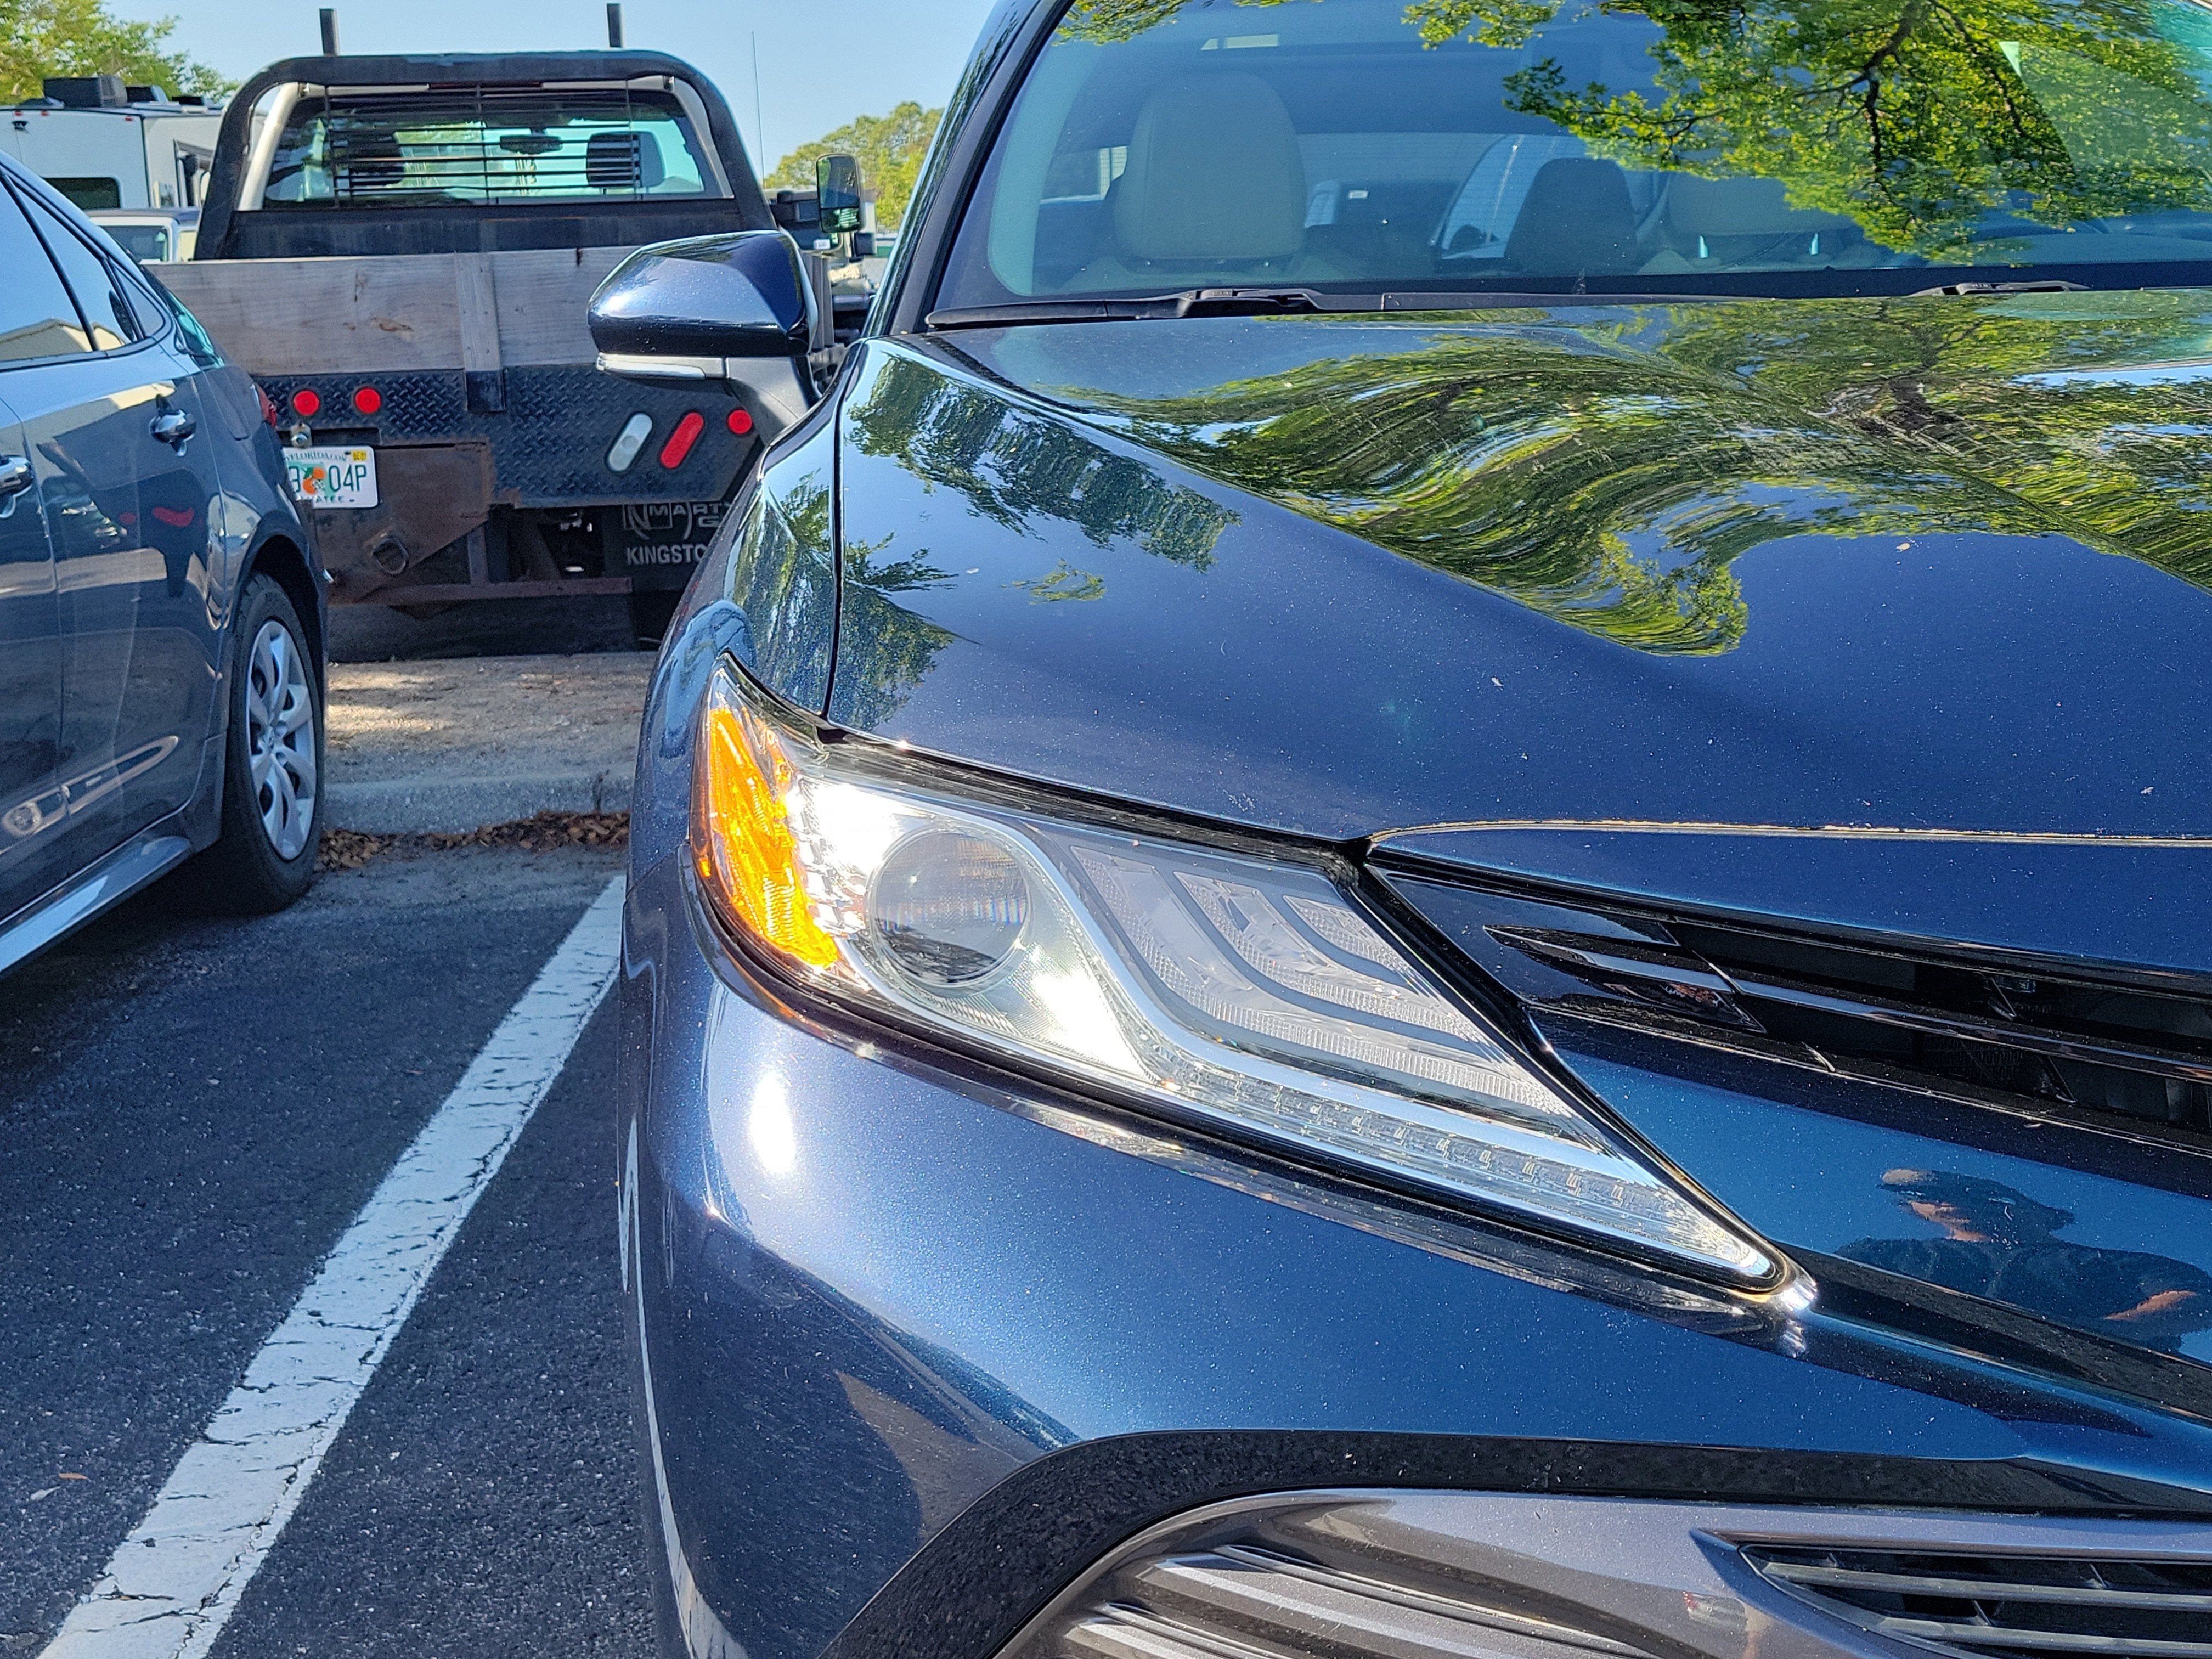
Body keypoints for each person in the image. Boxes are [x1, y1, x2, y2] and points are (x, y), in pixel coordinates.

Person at [1843, 1169, 2212, 1353]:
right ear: (1918, 1209)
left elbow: (2196, 1303)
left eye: (1973, 1191)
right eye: (1927, 1193)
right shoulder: (1879, 1255)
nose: (1946, 1198)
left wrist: (2091, 1336)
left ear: (2043, 1212)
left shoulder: (2118, 1263)